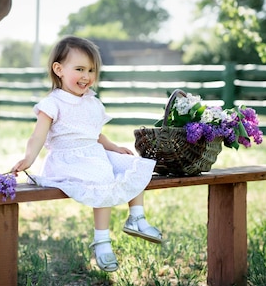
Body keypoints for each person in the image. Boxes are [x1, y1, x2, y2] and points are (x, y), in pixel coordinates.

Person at [11, 36, 162, 272]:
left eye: (91, 70)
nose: (86, 76)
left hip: (94, 152)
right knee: (101, 176)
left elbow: (96, 134)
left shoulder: (92, 102)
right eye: (79, 69)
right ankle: (102, 240)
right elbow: (38, 136)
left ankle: (137, 218)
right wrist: (29, 158)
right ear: (58, 69)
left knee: (134, 163)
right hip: (68, 158)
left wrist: (113, 147)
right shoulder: (53, 103)